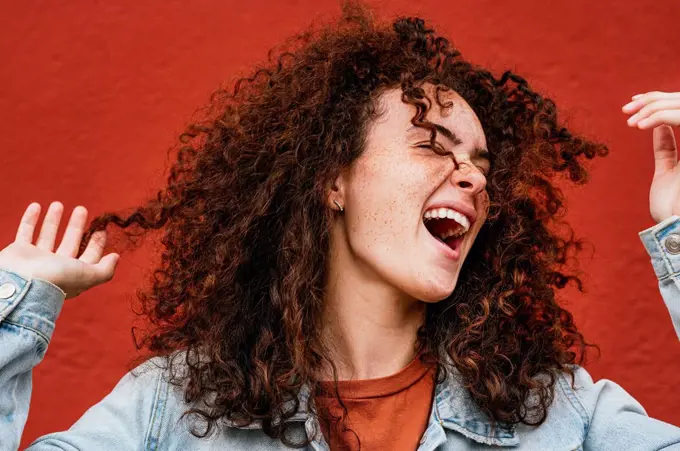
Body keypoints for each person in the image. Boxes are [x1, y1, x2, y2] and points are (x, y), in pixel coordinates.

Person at [1, 5, 679, 451]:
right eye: (432, 145)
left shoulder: (561, 414)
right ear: (334, 178)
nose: (473, 178)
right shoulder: (170, 409)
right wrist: (14, 305)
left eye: (480, 163)